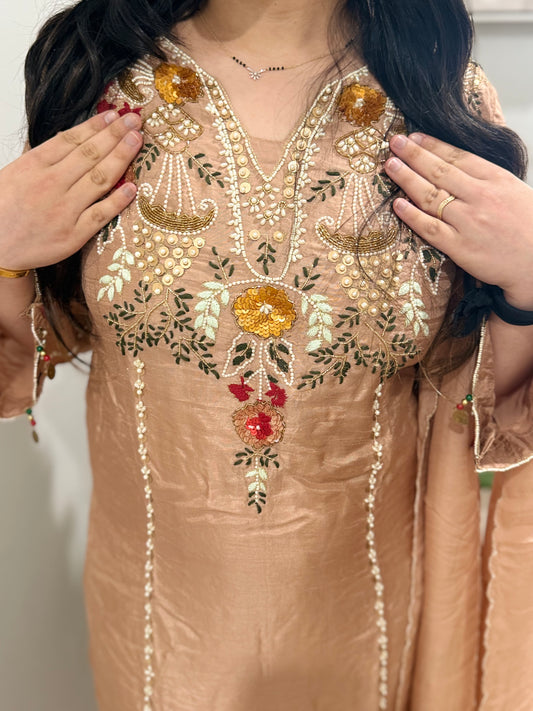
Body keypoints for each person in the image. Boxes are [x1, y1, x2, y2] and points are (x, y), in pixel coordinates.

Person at [1, 0, 533, 709]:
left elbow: (485, 407)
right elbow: (41, 341)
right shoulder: (96, 79)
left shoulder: (438, 93)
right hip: (158, 626)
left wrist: (527, 276)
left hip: (369, 622)